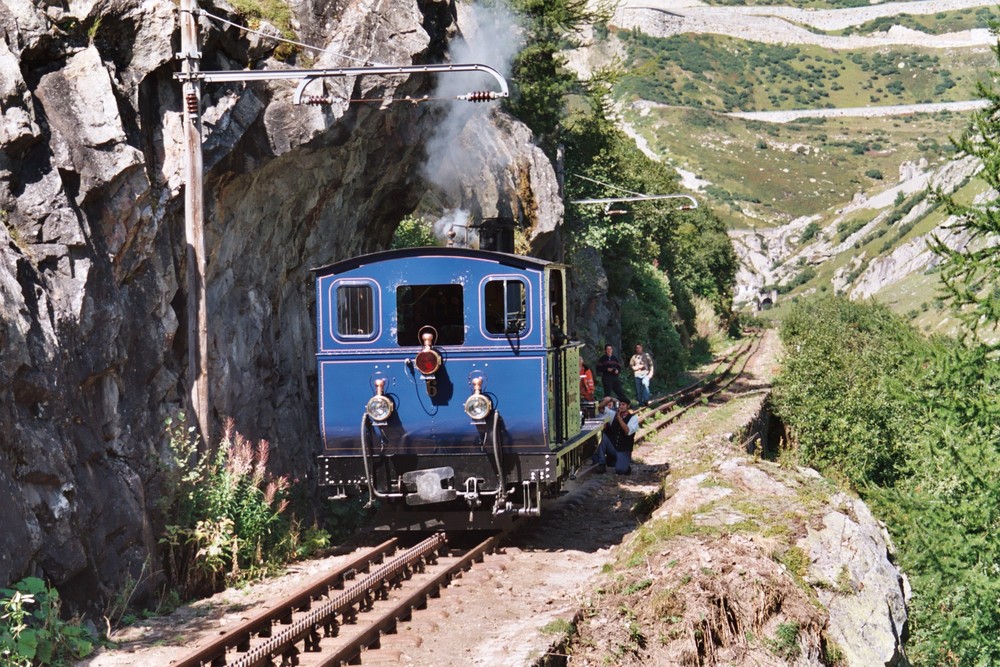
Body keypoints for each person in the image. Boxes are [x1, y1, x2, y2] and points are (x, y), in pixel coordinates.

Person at [605, 399, 639, 475]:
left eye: (623, 405)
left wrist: (619, 418)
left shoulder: (633, 418)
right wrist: (610, 399)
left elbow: (627, 432)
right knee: (602, 437)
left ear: (628, 406)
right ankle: (601, 463)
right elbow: (601, 408)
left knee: (621, 470)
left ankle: (622, 463)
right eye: (619, 405)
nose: (621, 406)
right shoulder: (613, 414)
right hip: (612, 448)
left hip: (623, 449)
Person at [590, 397, 619, 473]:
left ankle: (601, 463)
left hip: (617, 450)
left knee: (601, 437)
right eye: (607, 405)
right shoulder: (603, 414)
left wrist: (608, 399)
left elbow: (600, 407)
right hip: (611, 448)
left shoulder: (613, 413)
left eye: (610, 405)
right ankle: (597, 460)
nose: (608, 407)